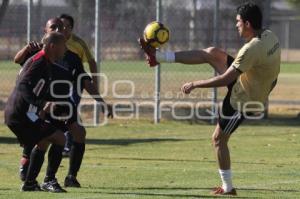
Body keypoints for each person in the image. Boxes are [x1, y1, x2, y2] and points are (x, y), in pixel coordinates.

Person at [139, 2, 280, 195]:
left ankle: (228, 187)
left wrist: (195, 84)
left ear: (247, 23)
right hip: (249, 82)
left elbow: (226, 79)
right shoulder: (270, 36)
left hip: (243, 100)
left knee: (218, 140)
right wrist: (270, 84)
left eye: (238, 22)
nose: (235, 25)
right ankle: (159, 57)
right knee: (212, 53)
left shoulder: (251, 49)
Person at [14, 18, 113, 190]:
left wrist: (101, 101)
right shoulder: (38, 53)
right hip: (43, 104)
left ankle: (70, 177)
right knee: (45, 141)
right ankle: (33, 174)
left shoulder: (72, 58)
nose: (59, 29)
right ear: (46, 31)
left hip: (62, 103)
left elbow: (85, 81)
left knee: (79, 132)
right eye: (54, 27)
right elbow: (20, 69)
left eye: (62, 27)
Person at [5, 32, 67, 192]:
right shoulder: (40, 61)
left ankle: (30, 182)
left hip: (22, 113)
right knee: (59, 138)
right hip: (20, 114)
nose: (65, 49)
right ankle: (48, 181)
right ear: (53, 46)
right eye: (63, 45)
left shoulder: (44, 60)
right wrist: (41, 104)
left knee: (45, 140)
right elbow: (23, 85)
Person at [58, 14, 99, 156]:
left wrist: (95, 82)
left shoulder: (78, 43)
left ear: (71, 28)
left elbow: (92, 62)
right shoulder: (51, 41)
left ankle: (68, 145)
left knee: (70, 108)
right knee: (63, 111)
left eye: (67, 26)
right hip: (57, 84)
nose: (63, 29)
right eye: (60, 26)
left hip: (75, 82)